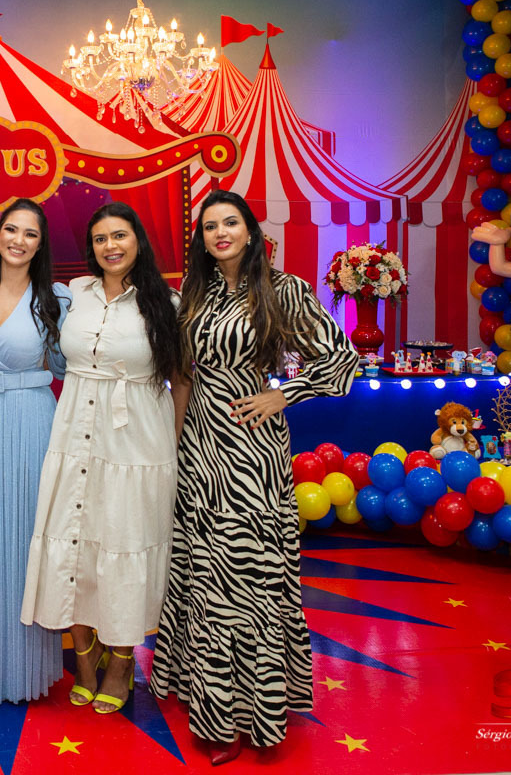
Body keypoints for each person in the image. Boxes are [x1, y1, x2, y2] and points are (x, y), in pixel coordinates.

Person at [150, 190, 358, 763]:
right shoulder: (196, 292)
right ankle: (211, 704)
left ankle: (249, 711)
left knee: (247, 577)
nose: (220, 232)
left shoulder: (283, 290)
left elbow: (340, 360)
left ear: (250, 231)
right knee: (206, 576)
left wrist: (282, 393)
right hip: (200, 445)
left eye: (230, 222)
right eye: (210, 226)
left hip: (252, 450)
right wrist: (172, 443)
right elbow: (181, 373)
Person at [20, 202, 180, 714]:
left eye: (120, 235)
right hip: (74, 433)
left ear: (138, 240)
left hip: (137, 444)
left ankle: (121, 661)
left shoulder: (166, 302)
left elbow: (182, 379)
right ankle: (85, 657)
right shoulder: (75, 294)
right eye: (100, 238)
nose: (110, 246)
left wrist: (173, 444)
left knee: (123, 545)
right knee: (74, 542)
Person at [0, 198, 71, 709]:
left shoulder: (56, 299)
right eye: (11, 229)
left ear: (41, 244)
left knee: (29, 543)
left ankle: (30, 671)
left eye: (30, 233)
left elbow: (71, 366)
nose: (18, 240)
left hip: (33, 424)